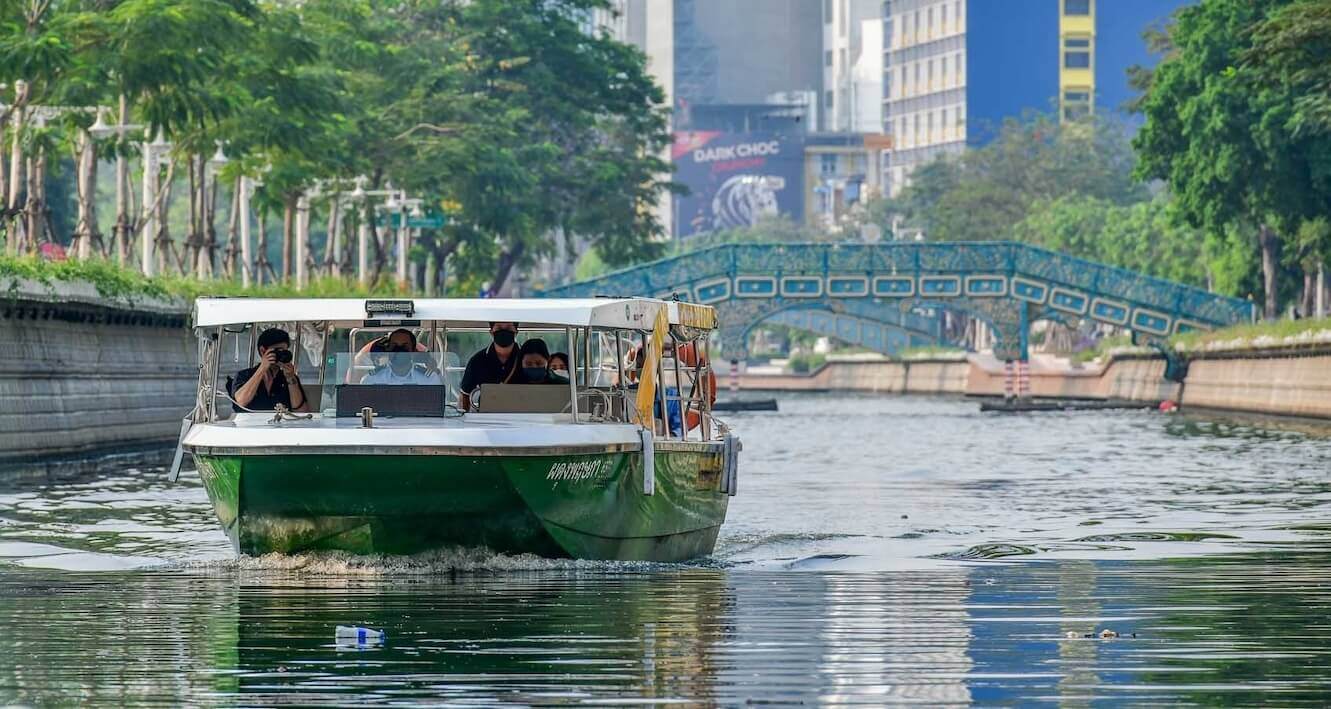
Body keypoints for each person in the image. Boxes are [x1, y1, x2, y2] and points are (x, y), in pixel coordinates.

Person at [232, 327, 307, 413]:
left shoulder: (289, 378)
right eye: (278, 351)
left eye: (285, 351)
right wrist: (262, 369)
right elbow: (241, 401)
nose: (281, 354)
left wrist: (291, 379)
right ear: (263, 351)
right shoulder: (244, 376)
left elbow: (302, 411)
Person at [459, 321, 520, 410]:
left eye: (508, 328)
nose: (504, 332)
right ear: (491, 332)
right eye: (499, 328)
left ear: (516, 332)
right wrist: (465, 416)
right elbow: (465, 393)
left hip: (521, 417)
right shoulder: (477, 360)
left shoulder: (525, 359)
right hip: (486, 418)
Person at [361, 328, 443, 385]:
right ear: (388, 350)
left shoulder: (430, 380)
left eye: (405, 346)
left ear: (413, 351)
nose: (399, 350)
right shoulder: (371, 380)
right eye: (394, 346)